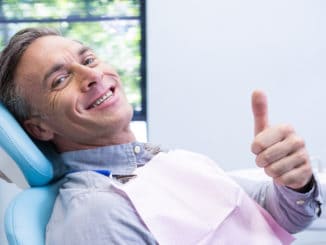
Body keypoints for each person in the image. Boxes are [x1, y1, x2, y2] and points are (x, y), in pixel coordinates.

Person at [0, 27, 322, 244]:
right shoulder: (96, 214)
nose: (92, 75)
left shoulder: (168, 162)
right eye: (59, 80)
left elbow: (281, 215)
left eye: (88, 59)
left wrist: (295, 182)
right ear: (40, 128)